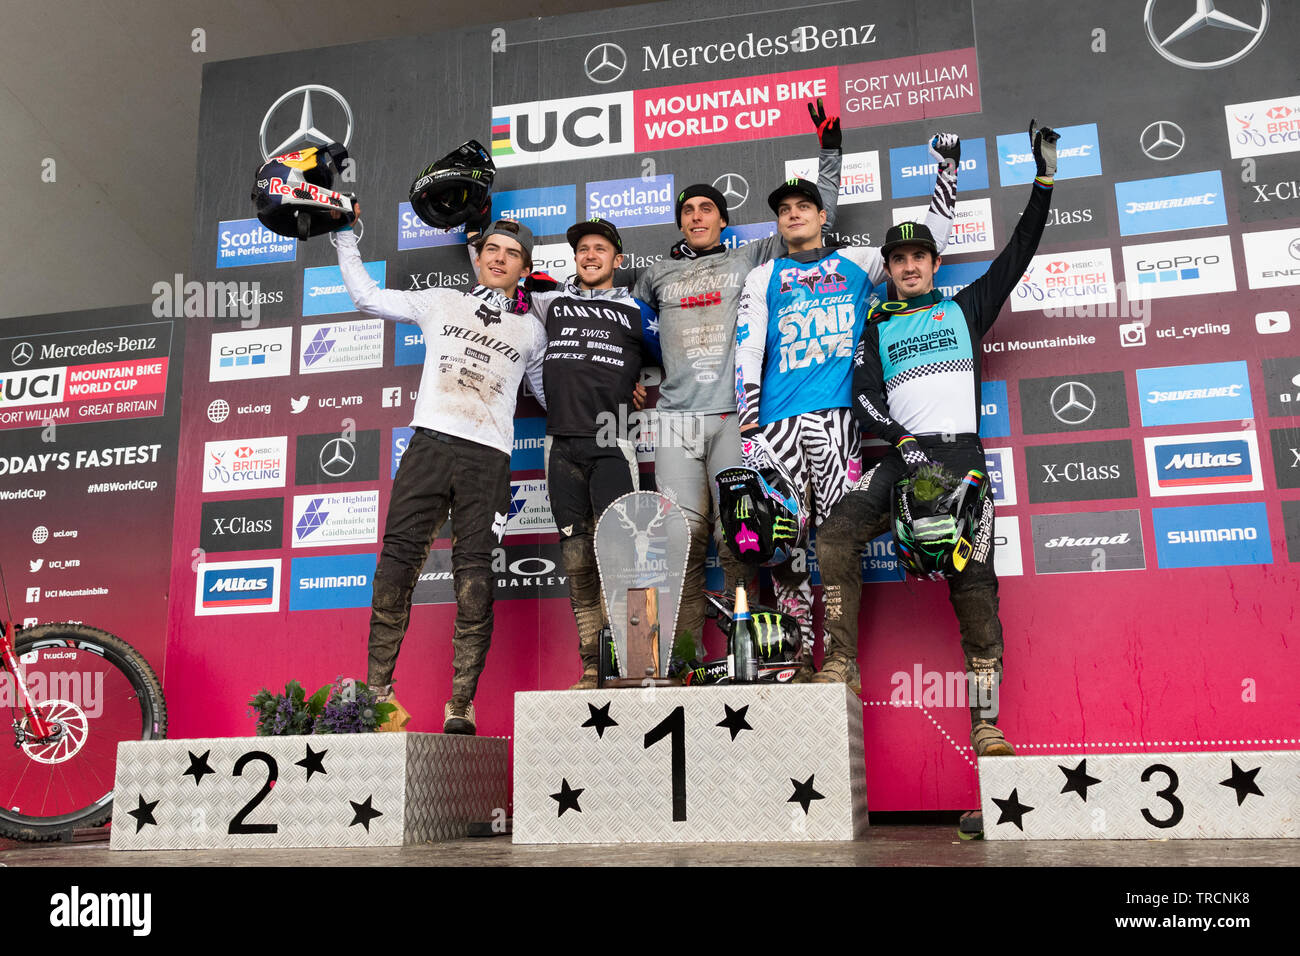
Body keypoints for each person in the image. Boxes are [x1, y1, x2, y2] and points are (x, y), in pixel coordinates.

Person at [814, 121, 1059, 756]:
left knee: (975, 589)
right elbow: (864, 396)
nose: (909, 265)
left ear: (933, 262)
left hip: (959, 462)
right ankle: (840, 663)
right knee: (836, 532)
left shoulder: (964, 307)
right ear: (890, 269)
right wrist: (900, 442)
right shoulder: (874, 325)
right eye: (898, 259)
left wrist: (1044, 179)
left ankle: (985, 723)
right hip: (903, 457)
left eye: (919, 256)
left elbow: (1019, 253)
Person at [733, 135, 960, 680]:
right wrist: (748, 422)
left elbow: (937, 240)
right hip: (776, 426)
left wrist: (948, 170)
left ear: (821, 214)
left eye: (802, 208)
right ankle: (791, 659)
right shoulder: (763, 276)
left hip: (838, 420)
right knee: (784, 544)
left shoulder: (859, 263)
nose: (792, 216)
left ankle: (839, 659)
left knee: (834, 541)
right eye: (784, 211)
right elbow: (748, 344)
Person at [631, 99, 843, 661]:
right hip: (675, 420)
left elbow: (819, 219)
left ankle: (747, 654)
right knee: (681, 539)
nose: (697, 216)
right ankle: (679, 657)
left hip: (736, 418)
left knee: (741, 536)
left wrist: (829, 152)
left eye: (708, 209)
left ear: (723, 220)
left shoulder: (752, 256)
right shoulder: (656, 274)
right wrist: (629, 376)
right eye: (688, 211)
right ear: (680, 222)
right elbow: (623, 327)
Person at [335, 208, 547, 735]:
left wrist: (609, 396)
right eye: (492, 250)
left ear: (525, 268)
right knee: (395, 567)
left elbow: (548, 394)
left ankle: (461, 705)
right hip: (430, 445)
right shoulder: (442, 301)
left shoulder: (532, 331)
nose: (499, 259)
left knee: (474, 582)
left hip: (489, 460)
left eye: (512, 254)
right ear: (478, 258)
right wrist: (343, 236)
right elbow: (367, 297)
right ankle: (377, 696)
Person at [527, 217, 660, 688]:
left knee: (625, 555)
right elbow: (499, 286)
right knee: (578, 558)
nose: (590, 255)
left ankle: (641, 663)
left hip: (612, 441)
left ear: (617, 260)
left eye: (600, 248)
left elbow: (676, 360)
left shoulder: (636, 310)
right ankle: (592, 664)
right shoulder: (548, 301)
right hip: (559, 443)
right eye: (583, 248)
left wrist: (639, 381)